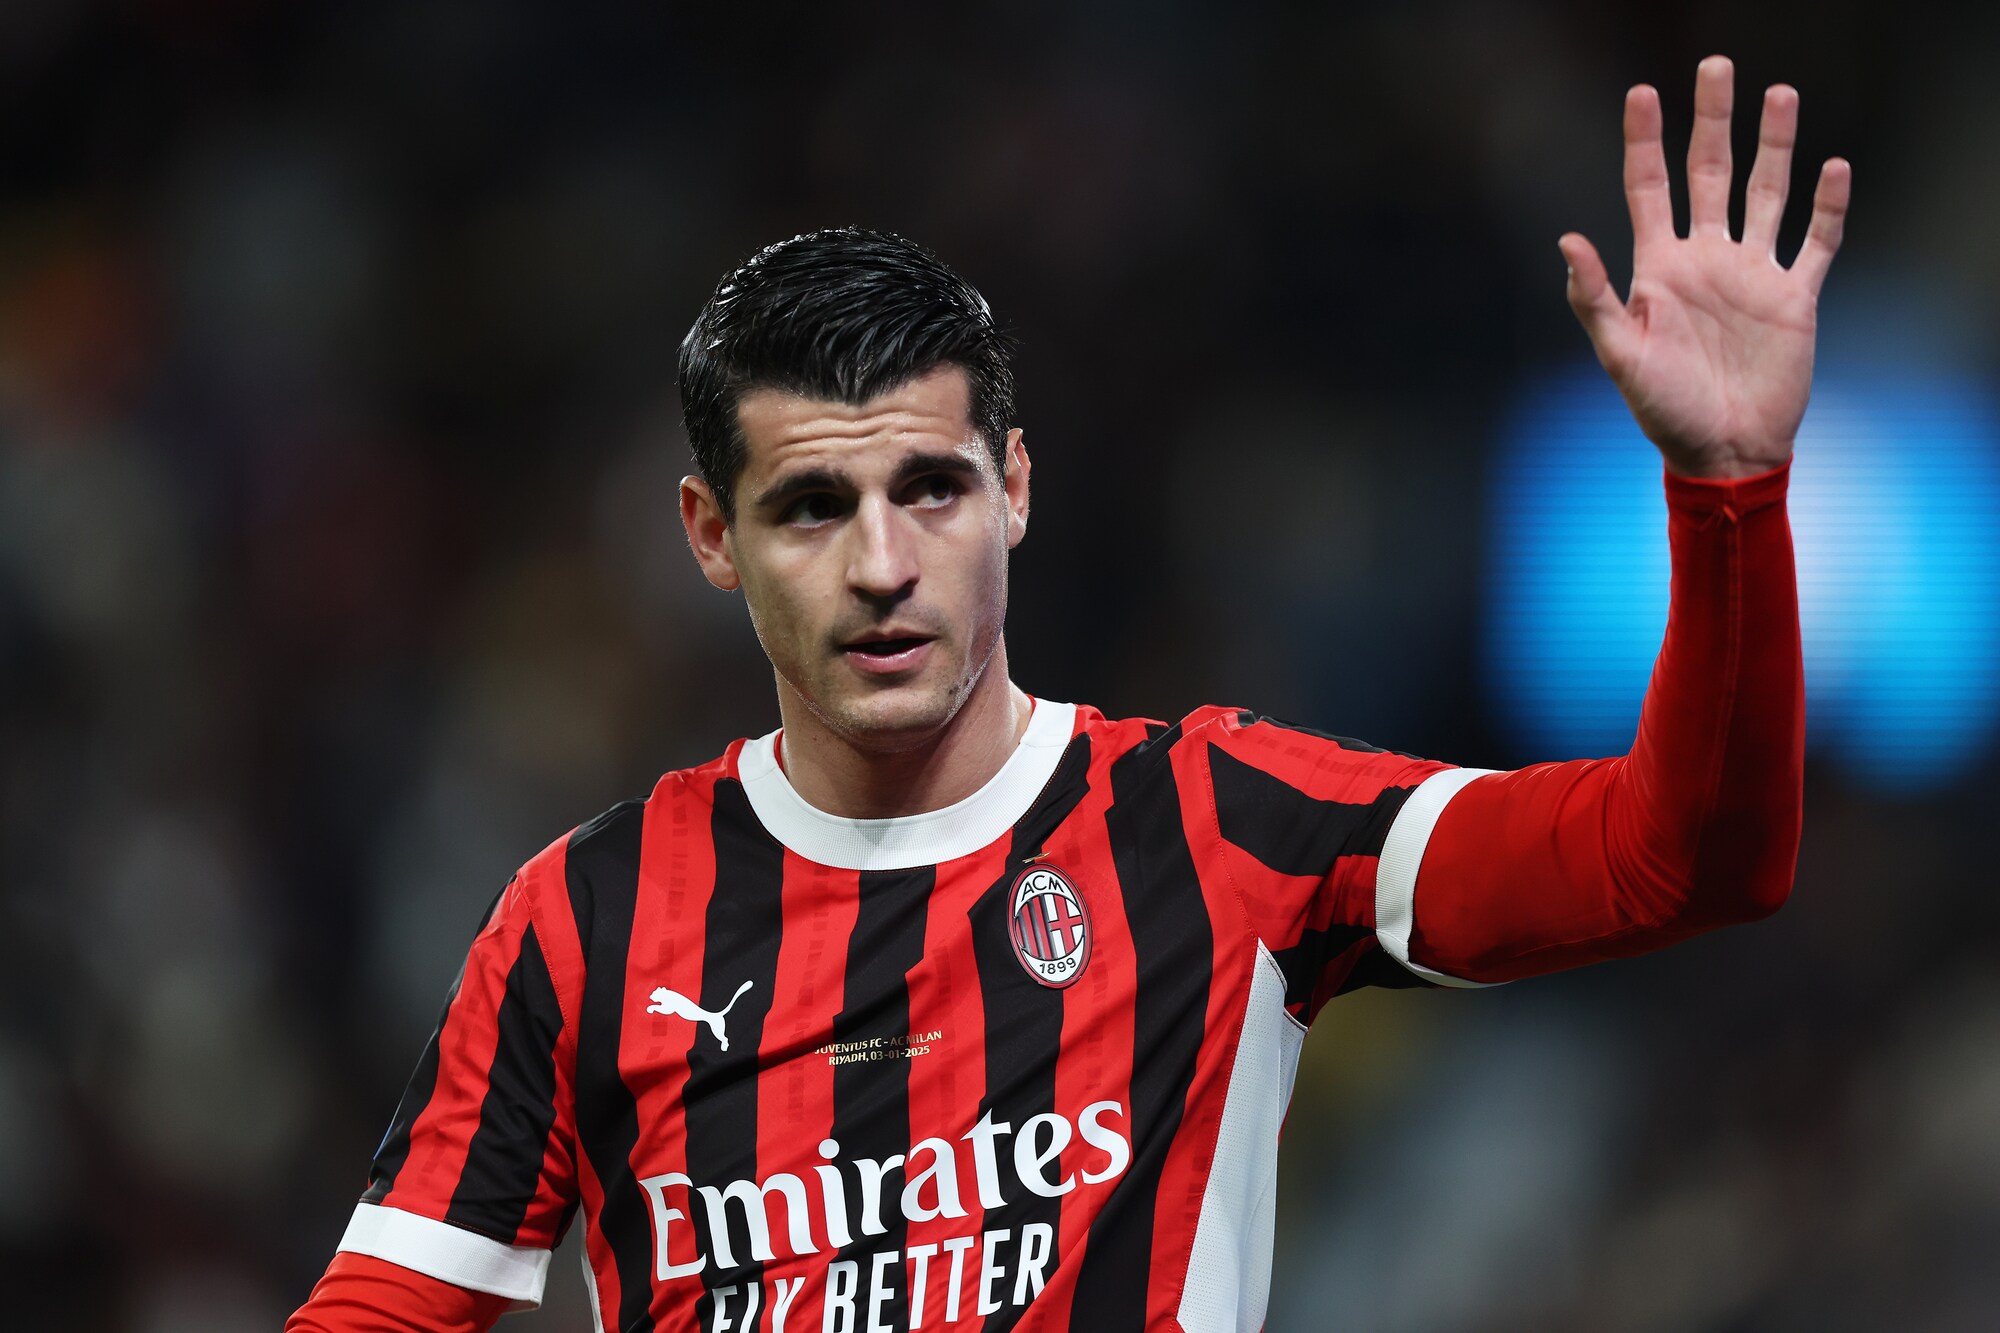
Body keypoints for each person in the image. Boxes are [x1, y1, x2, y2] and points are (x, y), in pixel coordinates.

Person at [289, 55, 1848, 1333]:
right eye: (812, 508)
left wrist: (1728, 492)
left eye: (932, 489)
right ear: (712, 535)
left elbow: (1683, 858)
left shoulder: (1218, 826)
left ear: (1017, 489)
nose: (883, 565)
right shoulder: (586, 920)